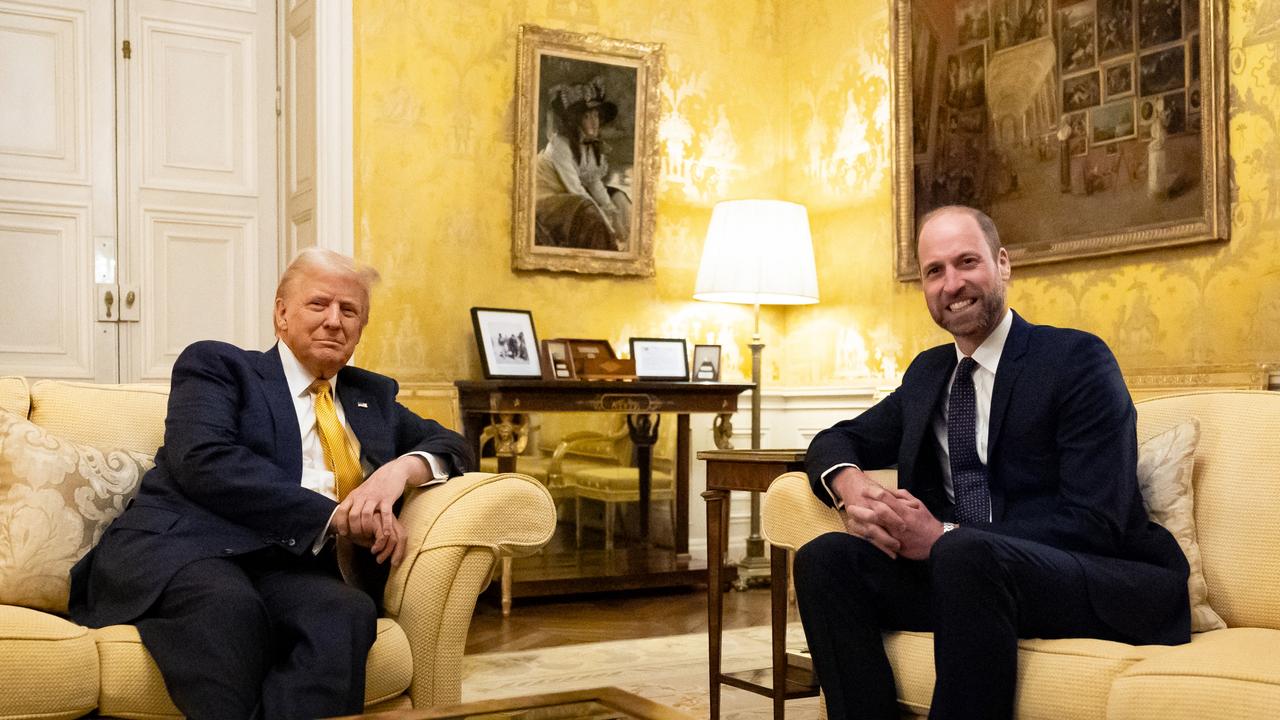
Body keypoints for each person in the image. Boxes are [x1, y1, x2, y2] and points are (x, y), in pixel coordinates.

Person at [794, 206, 1190, 720]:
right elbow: (835, 439)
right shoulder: (929, 373)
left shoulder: (1076, 361)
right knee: (825, 559)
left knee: (963, 554)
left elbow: (1098, 521)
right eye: (935, 271)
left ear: (1002, 264)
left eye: (967, 262)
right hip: (969, 580)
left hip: (1092, 575)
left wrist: (943, 536)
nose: (952, 283)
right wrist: (850, 487)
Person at [68, 248, 472, 720]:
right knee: (229, 609)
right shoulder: (220, 367)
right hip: (189, 548)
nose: (334, 321)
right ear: (281, 313)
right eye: (318, 304)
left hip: (288, 567)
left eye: (350, 311)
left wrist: (398, 471)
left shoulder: (371, 396)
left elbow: (453, 444)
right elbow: (204, 460)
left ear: (361, 328)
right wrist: (335, 515)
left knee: (345, 614)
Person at [534, 76, 632, 251]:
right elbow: (576, 189)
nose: (595, 122)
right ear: (576, 121)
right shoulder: (560, 145)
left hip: (569, 193)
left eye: (596, 116)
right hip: (546, 197)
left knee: (620, 199)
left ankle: (628, 245)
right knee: (588, 211)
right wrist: (609, 227)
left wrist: (612, 211)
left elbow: (594, 182)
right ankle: (611, 245)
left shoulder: (589, 144)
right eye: (587, 117)